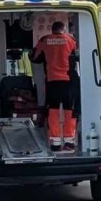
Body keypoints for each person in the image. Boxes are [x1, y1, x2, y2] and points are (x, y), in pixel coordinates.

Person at [31, 20, 79, 151]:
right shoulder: (71, 40)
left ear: (52, 30)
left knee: (53, 111)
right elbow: (78, 55)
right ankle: (69, 141)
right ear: (63, 29)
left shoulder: (45, 40)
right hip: (69, 81)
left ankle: (55, 143)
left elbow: (34, 57)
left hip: (52, 81)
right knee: (70, 111)